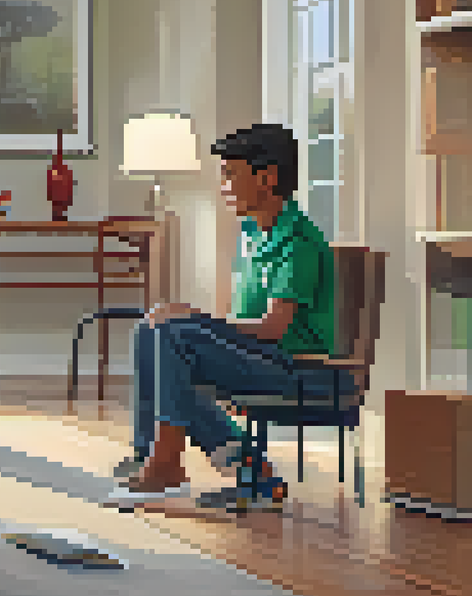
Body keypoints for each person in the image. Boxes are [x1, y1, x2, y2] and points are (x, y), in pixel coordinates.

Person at [107, 123, 348, 512]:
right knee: (152, 326)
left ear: (266, 178)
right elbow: (242, 324)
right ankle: (168, 457)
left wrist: (194, 318)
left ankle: (166, 464)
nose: (223, 186)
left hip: (299, 369)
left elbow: (271, 329)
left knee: (171, 333)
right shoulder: (254, 233)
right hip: (262, 356)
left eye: (230, 174)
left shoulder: (299, 242)